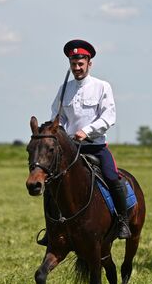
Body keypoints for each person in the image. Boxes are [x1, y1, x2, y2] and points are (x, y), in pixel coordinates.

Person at [37, 39, 130, 246]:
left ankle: (123, 221)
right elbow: (57, 116)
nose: (77, 68)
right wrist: (60, 131)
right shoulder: (64, 89)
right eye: (73, 64)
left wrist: (86, 131)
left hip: (95, 146)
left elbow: (109, 117)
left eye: (81, 64)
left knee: (112, 177)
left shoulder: (102, 87)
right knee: (52, 182)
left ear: (89, 63)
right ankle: (51, 229)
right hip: (70, 149)